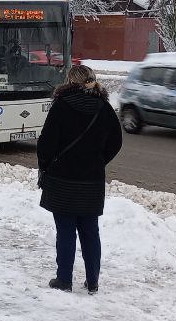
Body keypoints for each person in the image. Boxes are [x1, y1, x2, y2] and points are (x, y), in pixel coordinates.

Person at [36, 65, 123, 295]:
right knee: (90, 231)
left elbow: (46, 142)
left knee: (65, 231)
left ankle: (64, 279)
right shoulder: (104, 108)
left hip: (63, 179)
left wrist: (46, 165)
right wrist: (98, 161)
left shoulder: (61, 106)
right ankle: (93, 281)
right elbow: (116, 142)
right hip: (91, 181)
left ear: (70, 81)